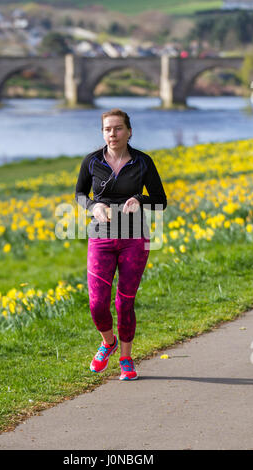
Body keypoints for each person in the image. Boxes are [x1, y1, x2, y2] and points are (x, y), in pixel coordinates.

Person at [75, 108, 167, 381]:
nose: (112, 134)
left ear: (129, 131)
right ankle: (108, 342)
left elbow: (161, 200)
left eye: (117, 128)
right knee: (97, 304)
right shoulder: (92, 161)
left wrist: (141, 200)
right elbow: (80, 194)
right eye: (107, 129)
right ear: (102, 132)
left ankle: (126, 357)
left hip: (134, 238)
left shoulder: (143, 162)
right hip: (101, 238)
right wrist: (94, 206)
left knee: (124, 303)